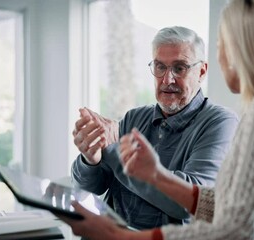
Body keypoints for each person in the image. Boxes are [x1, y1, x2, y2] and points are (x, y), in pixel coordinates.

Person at [60, 0, 254, 239]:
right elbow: (225, 207)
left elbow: (240, 230)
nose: (221, 54)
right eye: (160, 66)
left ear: (243, 49)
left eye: (223, 42)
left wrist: (119, 237)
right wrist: (147, 173)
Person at [71, 26, 239, 229]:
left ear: (202, 71)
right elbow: (89, 188)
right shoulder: (134, 117)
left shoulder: (220, 122)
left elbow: (191, 202)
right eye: (160, 67)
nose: (167, 79)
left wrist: (113, 148)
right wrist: (91, 158)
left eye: (179, 68)